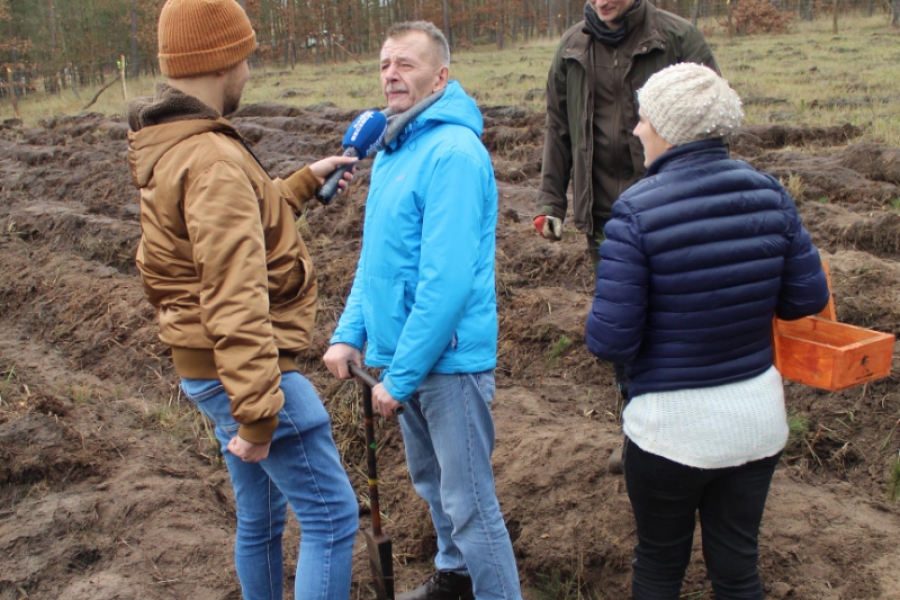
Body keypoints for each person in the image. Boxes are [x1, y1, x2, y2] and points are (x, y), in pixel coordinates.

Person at [127, 1, 359, 599]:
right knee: (332, 519)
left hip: (209, 368)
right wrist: (258, 415)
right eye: (246, 58)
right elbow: (235, 293)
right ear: (222, 59)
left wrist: (304, 182)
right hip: (247, 375)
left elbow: (219, 233)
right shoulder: (213, 159)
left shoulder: (175, 144)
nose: (249, 73)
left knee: (260, 517)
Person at [585, 63, 831, 599]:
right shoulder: (770, 193)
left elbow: (611, 341)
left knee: (658, 563)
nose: (635, 129)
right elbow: (807, 300)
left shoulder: (635, 211)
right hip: (757, 421)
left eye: (644, 118)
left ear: (670, 128)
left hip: (670, 430)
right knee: (738, 569)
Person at [323, 21, 522, 600]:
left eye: (406, 64)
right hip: (405, 357)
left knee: (469, 501)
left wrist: (402, 375)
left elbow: (448, 281)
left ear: (441, 76)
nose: (391, 75)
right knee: (434, 485)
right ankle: (456, 578)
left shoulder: (454, 154)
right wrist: (350, 332)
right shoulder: (393, 146)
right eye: (385, 64)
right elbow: (376, 261)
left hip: (449, 363)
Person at [535, 0, 718, 260]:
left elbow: (712, 128)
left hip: (670, 212)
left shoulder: (678, 39)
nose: (601, 2)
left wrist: (705, 201)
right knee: (616, 297)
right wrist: (550, 203)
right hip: (605, 219)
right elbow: (557, 127)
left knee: (675, 296)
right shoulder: (571, 48)